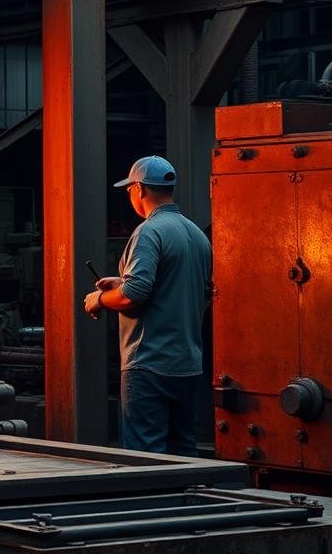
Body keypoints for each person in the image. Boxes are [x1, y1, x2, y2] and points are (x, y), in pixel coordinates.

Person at [84, 155, 212, 457]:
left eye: (130, 189)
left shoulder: (148, 232)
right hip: (187, 364)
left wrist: (100, 299)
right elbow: (178, 285)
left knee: (146, 458)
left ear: (139, 189)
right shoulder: (195, 234)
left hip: (149, 363)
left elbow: (135, 294)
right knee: (182, 453)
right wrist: (121, 280)